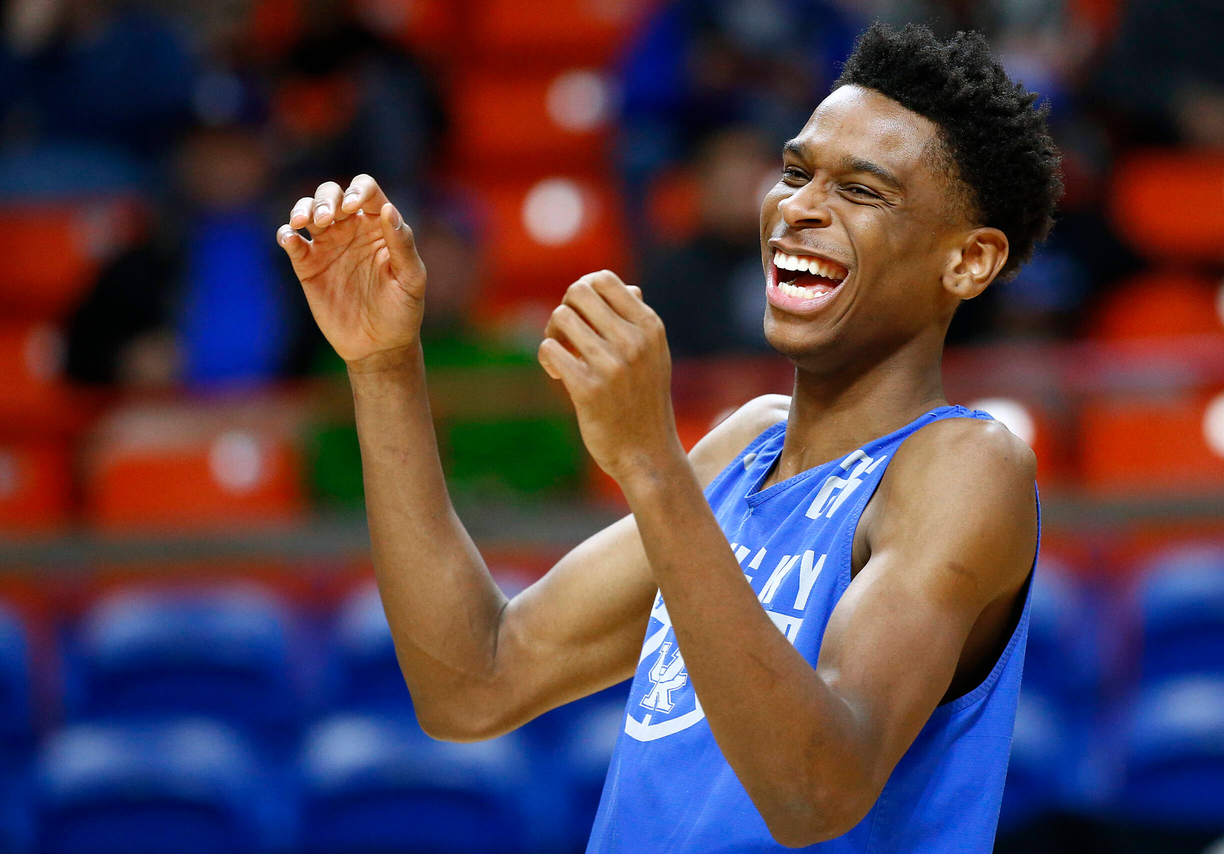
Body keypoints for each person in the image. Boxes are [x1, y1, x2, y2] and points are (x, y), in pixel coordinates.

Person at [276, 22, 1060, 853]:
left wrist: (649, 463)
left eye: (861, 191)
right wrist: (385, 364)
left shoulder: (964, 465)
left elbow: (815, 791)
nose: (800, 207)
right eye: (795, 173)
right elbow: (474, 681)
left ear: (969, 262)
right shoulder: (746, 445)